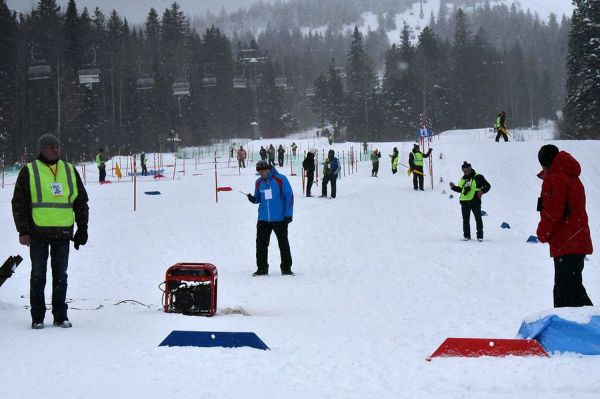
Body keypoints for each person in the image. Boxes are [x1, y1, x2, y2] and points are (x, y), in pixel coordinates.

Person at [11, 134, 89, 329]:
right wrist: (23, 231)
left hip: (62, 234)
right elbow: (18, 203)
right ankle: (37, 317)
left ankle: (60, 315)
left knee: (61, 275)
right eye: (51, 146)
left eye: (57, 146)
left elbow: (81, 202)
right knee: (38, 275)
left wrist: (82, 228)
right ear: (42, 149)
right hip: (38, 233)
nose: (56, 149)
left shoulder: (69, 170)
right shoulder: (29, 171)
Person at [536, 144, 593, 307]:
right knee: (569, 290)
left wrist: (542, 232)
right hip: (575, 239)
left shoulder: (556, 178)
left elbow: (553, 212)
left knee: (569, 295)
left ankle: (590, 328)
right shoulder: (570, 174)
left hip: (567, 242)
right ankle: (572, 327)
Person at [246, 160, 294, 276]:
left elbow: (289, 196)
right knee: (261, 244)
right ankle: (262, 268)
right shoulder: (258, 182)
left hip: (280, 218)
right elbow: (258, 198)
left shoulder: (280, 179)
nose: (261, 173)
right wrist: (253, 199)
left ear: (268, 169)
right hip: (263, 219)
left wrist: (288, 214)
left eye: (263, 171)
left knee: (283, 244)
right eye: (259, 171)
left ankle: (286, 268)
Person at [449, 161, 491, 241]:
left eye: (467, 170)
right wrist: (453, 187)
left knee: (478, 218)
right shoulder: (463, 178)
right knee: (465, 219)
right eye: (463, 170)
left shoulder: (478, 177)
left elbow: (488, 185)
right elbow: (461, 189)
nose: (465, 172)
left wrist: (482, 191)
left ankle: (480, 236)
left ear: (470, 168)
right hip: (464, 202)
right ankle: (467, 236)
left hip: (475, 201)